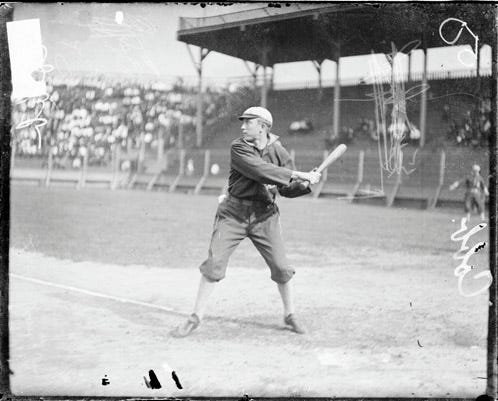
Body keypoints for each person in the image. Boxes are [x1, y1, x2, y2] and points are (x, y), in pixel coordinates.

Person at [171, 106, 321, 338]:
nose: (242, 126)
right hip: (233, 214)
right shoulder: (239, 147)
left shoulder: (279, 151)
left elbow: (286, 189)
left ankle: (290, 315)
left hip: (265, 216)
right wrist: (300, 174)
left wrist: (304, 184)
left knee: (282, 268)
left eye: (247, 122)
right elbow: (260, 171)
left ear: (262, 127)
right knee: (215, 263)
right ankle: (195, 317)